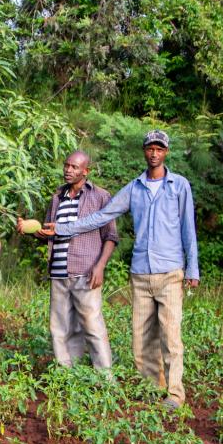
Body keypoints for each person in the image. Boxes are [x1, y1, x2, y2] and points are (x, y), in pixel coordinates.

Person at [42, 131, 199, 409]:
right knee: (141, 337)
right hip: (140, 271)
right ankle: (152, 388)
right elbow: (101, 217)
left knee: (170, 335)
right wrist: (63, 228)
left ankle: (175, 394)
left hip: (170, 270)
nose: (154, 153)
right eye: (149, 148)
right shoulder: (134, 188)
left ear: (166, 153)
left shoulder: (179, 185)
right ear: (144, 151)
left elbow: (189, 228)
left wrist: (192, 269)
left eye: (159, 149)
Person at [18, 150, 117, 370]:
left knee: (92, 325)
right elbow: (48, 234)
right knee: (60, 328)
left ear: (85, 171)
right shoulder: (57, 198)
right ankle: (67, 374)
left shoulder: (100, 196)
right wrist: (29, 229)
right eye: (66, 165)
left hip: (86, 271)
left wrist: (100, 267)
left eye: (74, 167)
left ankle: (105, 378)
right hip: (58, 272)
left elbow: (110, 236)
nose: (68, 170)